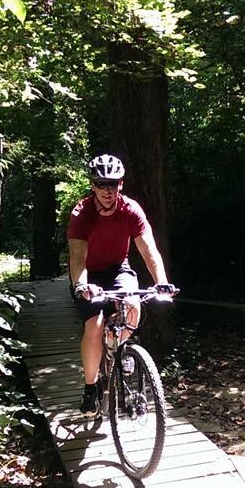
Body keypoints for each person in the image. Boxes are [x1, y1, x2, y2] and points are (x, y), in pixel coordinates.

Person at [67, 153, 175, 416]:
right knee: (94, 326)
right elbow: (78, 257)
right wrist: (82, 286)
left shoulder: (130, 210)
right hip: (89, 274)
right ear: (92, 185)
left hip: (118, 268)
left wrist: (161, 282)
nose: (107, 190)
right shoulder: (82, 213)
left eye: (112, 184)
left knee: (134, 306)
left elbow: (150, 250)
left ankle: (118, 350)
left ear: (120, 184)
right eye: (101, 183)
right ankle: (91, 389)